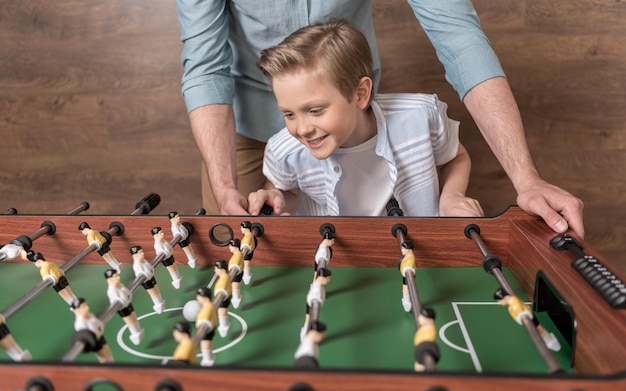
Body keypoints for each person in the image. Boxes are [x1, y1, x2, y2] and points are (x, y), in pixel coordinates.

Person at [175, 1, 583, 234]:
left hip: (357, 120)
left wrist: (526, 178)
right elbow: (205, 68)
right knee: (246, 250)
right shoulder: (287, 143)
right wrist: (225, 185)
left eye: (312, 112)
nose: (303, 126)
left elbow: (461, 41)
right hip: (241, 126)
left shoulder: (405, 116)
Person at [251, 19, 482, 217]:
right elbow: (285, 190)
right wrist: (275, 196)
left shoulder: (421, 118)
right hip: (335, 264)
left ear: (360, 94)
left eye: (315, 110)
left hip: (419, 256)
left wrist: (452, 196)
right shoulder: (284, 151)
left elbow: (456, 157)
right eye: (289, 114)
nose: (302, 129)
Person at [103, 269, 145, 345]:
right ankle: (135, 334)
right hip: (123, 308)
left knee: (134, 317)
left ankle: (138, 330)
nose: (118, 278)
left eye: (118, 276)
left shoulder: (120, 285)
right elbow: (117, 300)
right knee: (130, 321)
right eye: (115, 277)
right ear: (110, 279)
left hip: (128, 302)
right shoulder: (112, 291)